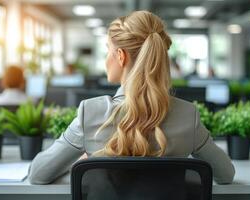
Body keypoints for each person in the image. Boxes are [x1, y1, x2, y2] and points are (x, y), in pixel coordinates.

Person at [28, 11, 235, 185]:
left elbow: (37, 175)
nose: (105, 59)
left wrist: (80, 163)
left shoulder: (90, 112)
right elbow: (226, 175)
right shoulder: (188, 115)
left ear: (120, 56)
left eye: (107, 51)